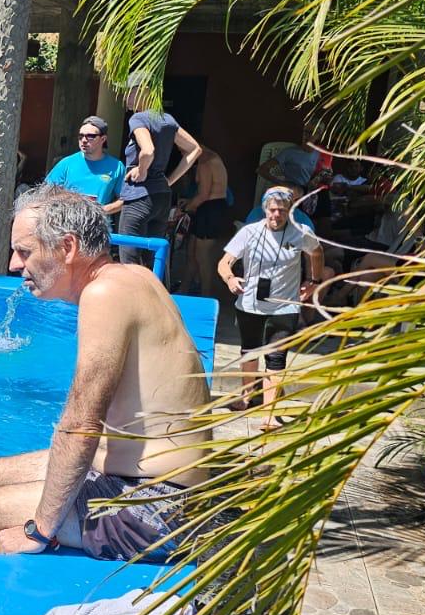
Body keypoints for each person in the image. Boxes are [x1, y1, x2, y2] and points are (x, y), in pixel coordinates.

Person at [0, 185, 212, 561]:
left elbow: (81, 425)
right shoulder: (134, 277)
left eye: (24, 251)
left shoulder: (104, 294)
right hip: (139, 478)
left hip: (155, 505)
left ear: (67, 247)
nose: (14, 265)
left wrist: (39, 530)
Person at [218, 187, 324, 430]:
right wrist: (230, 279)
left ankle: (270, 414)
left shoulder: (301, 232)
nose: (277, 215)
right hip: (250, 304)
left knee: (276, 357)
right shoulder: (249, 232)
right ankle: (246, 396)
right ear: (265, 209)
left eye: (282, 211)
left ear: (290, 211)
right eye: (273, 210)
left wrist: (314, 281)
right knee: (249, 350)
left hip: (284, 307)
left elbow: (317, 252)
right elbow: (224, 262)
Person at [118, 73, 204, 268]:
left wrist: (142, 170)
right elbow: (194, 149)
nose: (125, 98)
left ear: (144, 91)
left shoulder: (138, 118)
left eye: (129, 92)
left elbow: (148, 150)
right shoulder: (168, 119)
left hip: (138, 196)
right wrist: (169, 181)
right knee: (151, 260)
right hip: (162, 199)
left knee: (129, 260)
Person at [177, 146, 231, 298]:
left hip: (210, 210)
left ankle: (205, 295)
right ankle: (183, 290)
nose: (182, 154)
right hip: (206, 208)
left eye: (182, 150)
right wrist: (189, 202)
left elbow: (204, 195)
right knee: (191, 253)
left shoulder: (205, 160)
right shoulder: (210, 157)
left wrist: (185, 209)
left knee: (202, 256)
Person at [44, 116, 126, 214]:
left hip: (99, 222)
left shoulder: (117, 167)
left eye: (90, 136)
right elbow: (46, 192)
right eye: (81, 136)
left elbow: (125, 199)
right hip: (68, 221)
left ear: (103, 139)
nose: (84, 140)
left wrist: (101, 211)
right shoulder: (66, 163)